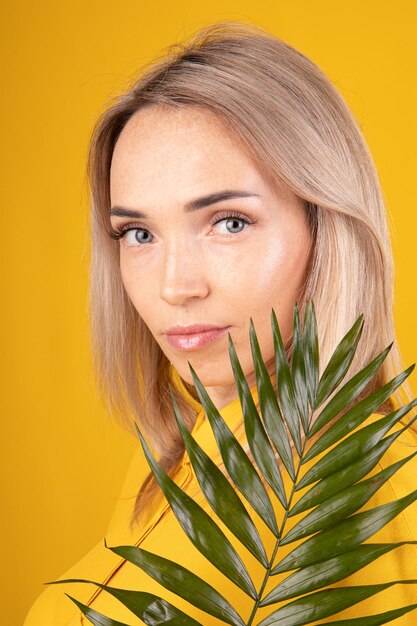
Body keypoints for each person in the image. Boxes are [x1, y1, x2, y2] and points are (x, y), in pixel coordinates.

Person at [24, 20, 417, 625]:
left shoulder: (336, 497)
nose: (175, 287)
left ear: (326, 227)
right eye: (139, 233)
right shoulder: (183, 443)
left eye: (229, 222)